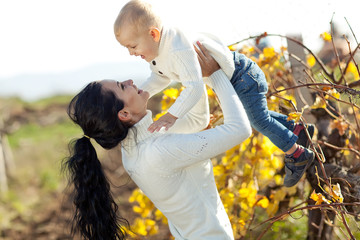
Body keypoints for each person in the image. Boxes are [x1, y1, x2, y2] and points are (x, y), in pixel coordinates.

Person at [113, 0, 315, 188]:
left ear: (154, 34)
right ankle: (297, 130)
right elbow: (160, 78)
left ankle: (297, 154)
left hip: (243, 76)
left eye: (133, 46)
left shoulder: (176, 48)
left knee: (258, 120)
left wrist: (171, 115)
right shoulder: (157, 53)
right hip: (236, 81)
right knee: (257, 116)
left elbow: (194, 87)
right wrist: (143, 95)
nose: (131, 52)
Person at [63, 43, 252, 240]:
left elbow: (198, 121)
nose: (129, 81)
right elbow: (240, 130)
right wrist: (215, 73)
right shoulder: (157, 150)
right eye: (121, 86)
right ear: (124, 113)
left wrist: (191, 73)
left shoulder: (139, 146)